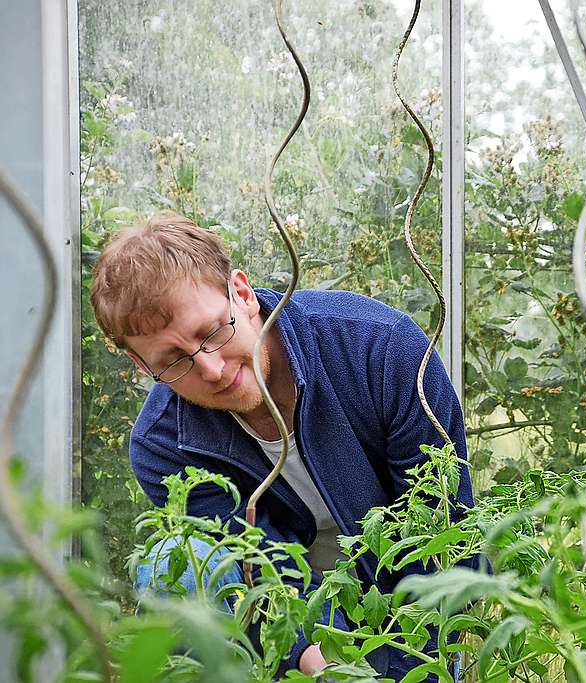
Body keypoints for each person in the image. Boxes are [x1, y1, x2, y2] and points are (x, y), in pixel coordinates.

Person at [89, 212, 474, 678]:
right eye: (173, 360)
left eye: (211, 331)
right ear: (138, 362)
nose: (210, 369)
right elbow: (261, 567)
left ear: (243, 294)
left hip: (400, 611)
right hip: (285, 624)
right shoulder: (165, 444)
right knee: (175, 565)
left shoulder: (381, 350)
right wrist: (327, 669)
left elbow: (439, 535)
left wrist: (411, 669)